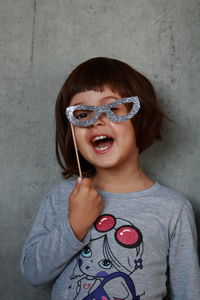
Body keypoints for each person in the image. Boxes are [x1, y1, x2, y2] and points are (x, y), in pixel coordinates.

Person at [21, 57, 200, 300]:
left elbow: (188, 291)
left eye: (113, 109)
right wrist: (74, 227)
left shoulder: (174, 209)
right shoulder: (62, 197)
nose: (97, 120)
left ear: (139, 118)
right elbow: (33, 273)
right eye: (83, 114)